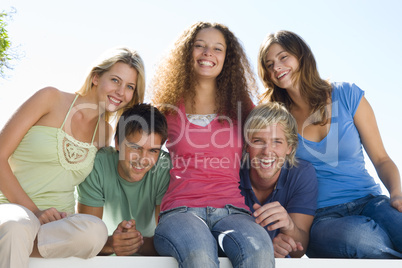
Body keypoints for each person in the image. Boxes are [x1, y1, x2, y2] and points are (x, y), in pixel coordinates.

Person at [257, 30, 402, 258]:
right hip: (321, 219)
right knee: (364, 238)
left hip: (370, 202)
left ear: (301, 56)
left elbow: (382, 159)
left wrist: (396, 194)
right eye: (269, 64)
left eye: (283, 57)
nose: (277, 67)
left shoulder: (347, 95)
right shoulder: (278, 119)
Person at [0, 47, 146, 268]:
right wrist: (35, 212)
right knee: (16, 227)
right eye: (115, 80)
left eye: (129, 87)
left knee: (95, 231)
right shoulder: (50, 98)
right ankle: (14, 239)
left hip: (57, 225)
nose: (120, 91)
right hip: (13, 208)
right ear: (96, 77)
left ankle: (16, 245)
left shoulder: (104, 132)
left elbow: (91, 191)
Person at [150, 21, 274, 268]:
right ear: (188, 53)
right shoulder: (167, 107)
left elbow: (269, 150)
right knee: (199, 254)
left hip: (233, 212)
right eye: (200, 46)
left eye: (218, 48)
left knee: (259, 251)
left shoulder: (242, 107)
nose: (208, 53)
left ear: (227, 58)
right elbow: (138, 147)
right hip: (181, 212)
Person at [77, 103, 171, 256]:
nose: (143, 159)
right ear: (117, 143)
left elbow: (169, 241)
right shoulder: (96, 165)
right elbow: (86, 238)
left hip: (150, 257)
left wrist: (136, 243)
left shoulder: (165, 169)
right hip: (104, 258)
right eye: (135, 147)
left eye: (153, 151)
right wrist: (111, 244)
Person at [239, 102, 318, 258]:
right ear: (247, 145)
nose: (267, 151)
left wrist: (289, 227)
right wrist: (266, 245)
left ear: (289, 147)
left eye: (277, 142)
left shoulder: (301, 174)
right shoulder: (232, 173)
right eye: (258, 141)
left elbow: (300, 250)